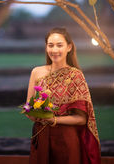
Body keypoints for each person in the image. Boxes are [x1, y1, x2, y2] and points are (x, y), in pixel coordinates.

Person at [26, 27, 101, 164]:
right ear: (46, 47)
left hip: (66, 139)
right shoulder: (36, 72)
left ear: (69, 47)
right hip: (41, 137)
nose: (54, 50)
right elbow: (30, 110)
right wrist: (34, 113)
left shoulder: (75, 75)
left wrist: (53, 120)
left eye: (59, 45)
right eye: (51, 45)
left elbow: (82, 119)